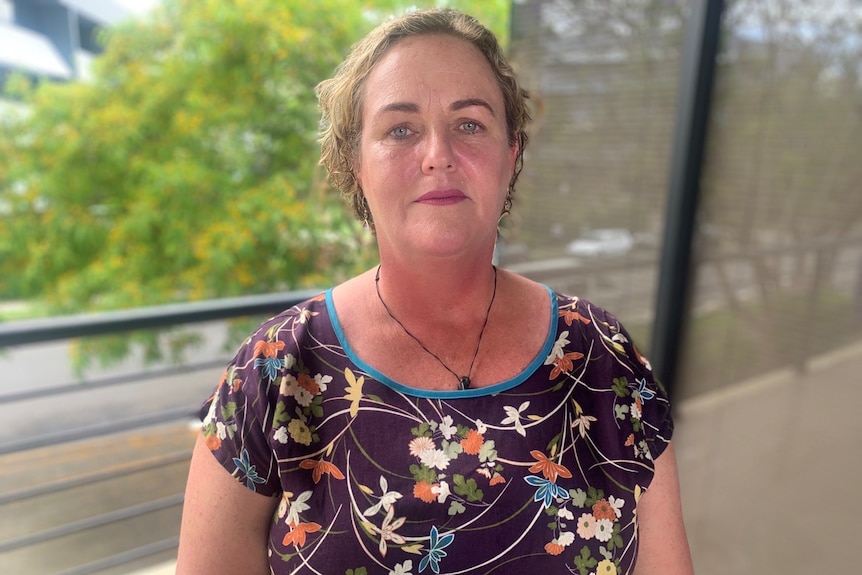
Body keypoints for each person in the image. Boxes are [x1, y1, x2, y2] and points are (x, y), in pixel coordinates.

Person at [176, 8, 693, 575]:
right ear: (355, 162)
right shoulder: (275, 369)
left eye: (470, 124)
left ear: (510, 153)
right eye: (400, 129)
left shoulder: (602, 357)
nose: (437, 154)